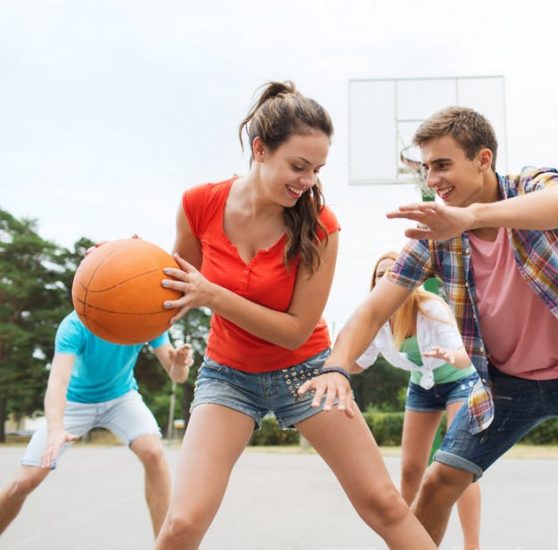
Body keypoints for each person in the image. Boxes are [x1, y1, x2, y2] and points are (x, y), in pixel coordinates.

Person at [301, 106, 558, 549]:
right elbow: (371, 311)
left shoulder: (530, 186)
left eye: (442, 165)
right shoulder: (435, 235)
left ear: (483, 159)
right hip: (506, 385)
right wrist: (336, 367)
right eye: (427, 168)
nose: (433, 180)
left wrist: (473, 216)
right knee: (438, 484)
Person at [154, 81, 436, 550]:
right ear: (260, 149)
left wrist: (214, 296)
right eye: (298, 166)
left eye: (316, 169)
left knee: (384, 504)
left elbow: (294, 331)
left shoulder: (320, 225)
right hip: (228, 376)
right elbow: (171, 287)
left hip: (307, 372)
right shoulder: (198, 204)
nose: (306, 180)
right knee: (182, 522)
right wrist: (117, 265)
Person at [0, 310, 193, 539]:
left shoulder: (145, 316)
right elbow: (58, 381)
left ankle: (165, 545)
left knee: (154, 453)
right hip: (74, 402)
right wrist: (55, 430)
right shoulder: (75, 324)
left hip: (121, 397)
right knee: (24, 482)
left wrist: (180, 364)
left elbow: (177, 376)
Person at [354, 251, 481, 550]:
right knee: (411, 469)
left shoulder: (431, 308)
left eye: (392, 272)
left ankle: (472, 546)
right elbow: (360, 361)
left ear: (407, 277)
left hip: (459, 381)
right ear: (373, 283)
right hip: (422, 387)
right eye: (380, 274)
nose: (386, 278)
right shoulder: (376, 317)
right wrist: (325, 364)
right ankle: (413, 542)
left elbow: (465, 357)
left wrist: (452, 356)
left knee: (459, 465)